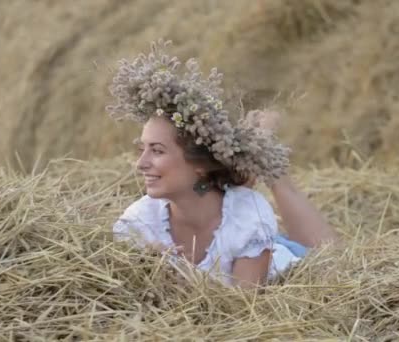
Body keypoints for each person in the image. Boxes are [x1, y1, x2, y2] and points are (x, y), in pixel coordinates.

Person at [108, 40, 338, 288]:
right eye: (142, 149)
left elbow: (240, 311)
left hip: (277, 257)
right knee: (237, 206)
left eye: (157, 150)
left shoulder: (249, 220)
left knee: (333, 262)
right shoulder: (139, 222)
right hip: (232, 225)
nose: (140, 164)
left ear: (200, 165)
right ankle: (249, 159)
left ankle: (264, 153)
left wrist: (175, 279)